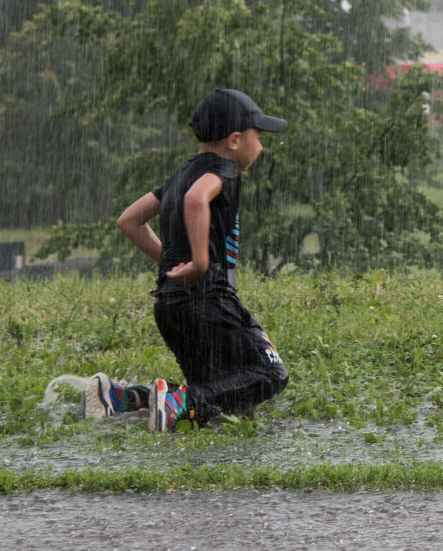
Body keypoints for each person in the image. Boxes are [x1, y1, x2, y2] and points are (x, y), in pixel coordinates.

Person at [86, 89, 290, 431]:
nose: (262, 145)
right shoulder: (225, 172)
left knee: (224, 394)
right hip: (209, 298)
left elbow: (129, 221)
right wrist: (197, 263)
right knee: (270, 375)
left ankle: (124, 398)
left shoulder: (179, 174)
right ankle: (178, 401)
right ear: (236, 139)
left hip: (170, 304)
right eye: (260, 136)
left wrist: (169, 265)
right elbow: (197, 199)